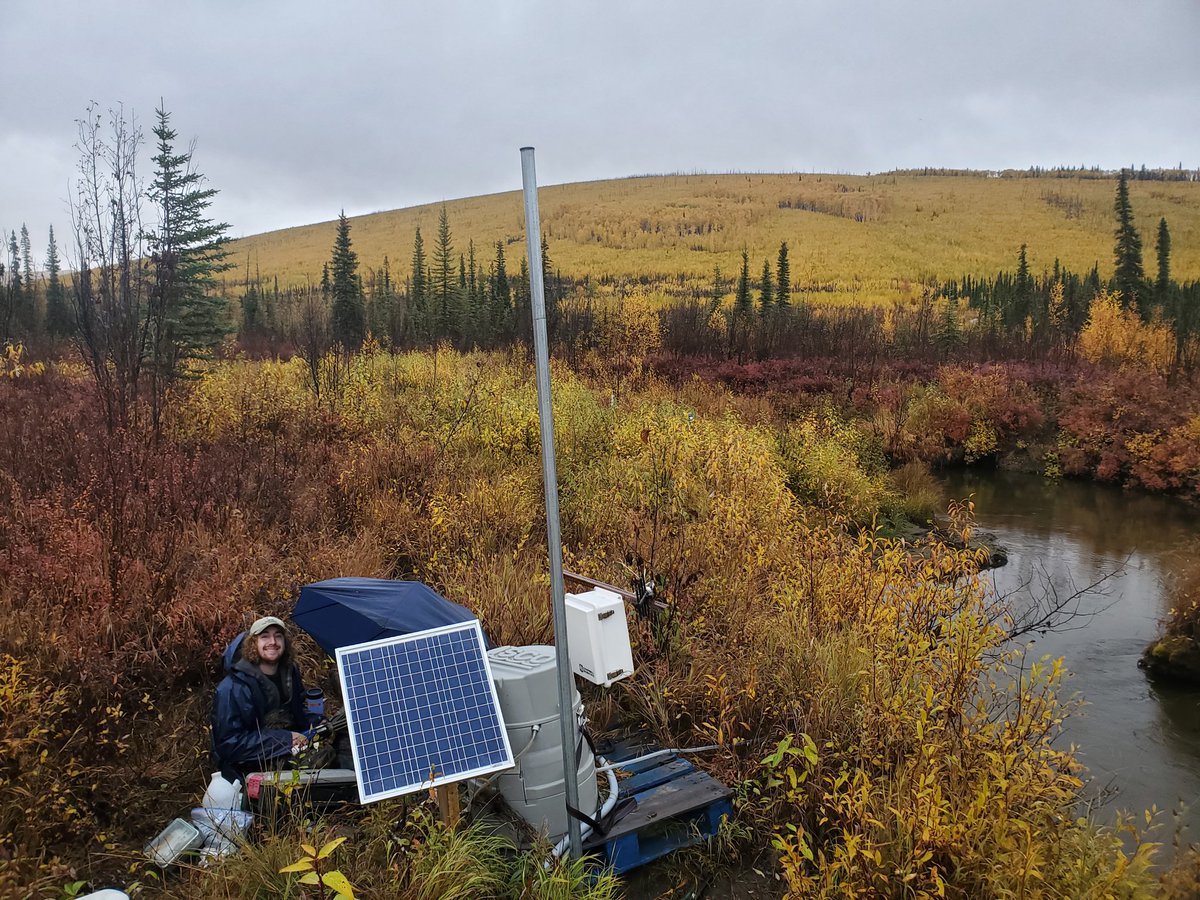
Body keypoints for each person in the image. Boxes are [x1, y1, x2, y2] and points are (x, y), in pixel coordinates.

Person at [211, 616, 309, 781]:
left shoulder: (290, 672)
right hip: (247, 770)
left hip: (291, 751)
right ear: (253, 643)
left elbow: (299, 712)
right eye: (264, 636)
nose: (273, 642)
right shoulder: (232, 688)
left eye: (278, 636)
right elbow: (229, 744)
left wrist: (318, 722)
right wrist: (286, 740)